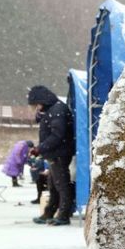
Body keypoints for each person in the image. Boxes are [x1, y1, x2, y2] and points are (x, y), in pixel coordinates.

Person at [27, 85, 75, 226]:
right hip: (55, 154)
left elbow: (57, 135)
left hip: (59, 154)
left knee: (62, 185)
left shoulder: (57, 111)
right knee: (53, 185)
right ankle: (49, 213)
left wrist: (40, 149)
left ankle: (63, 215)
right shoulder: (52, 110)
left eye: (36, 105)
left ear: (42, 101)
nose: (36, 108)